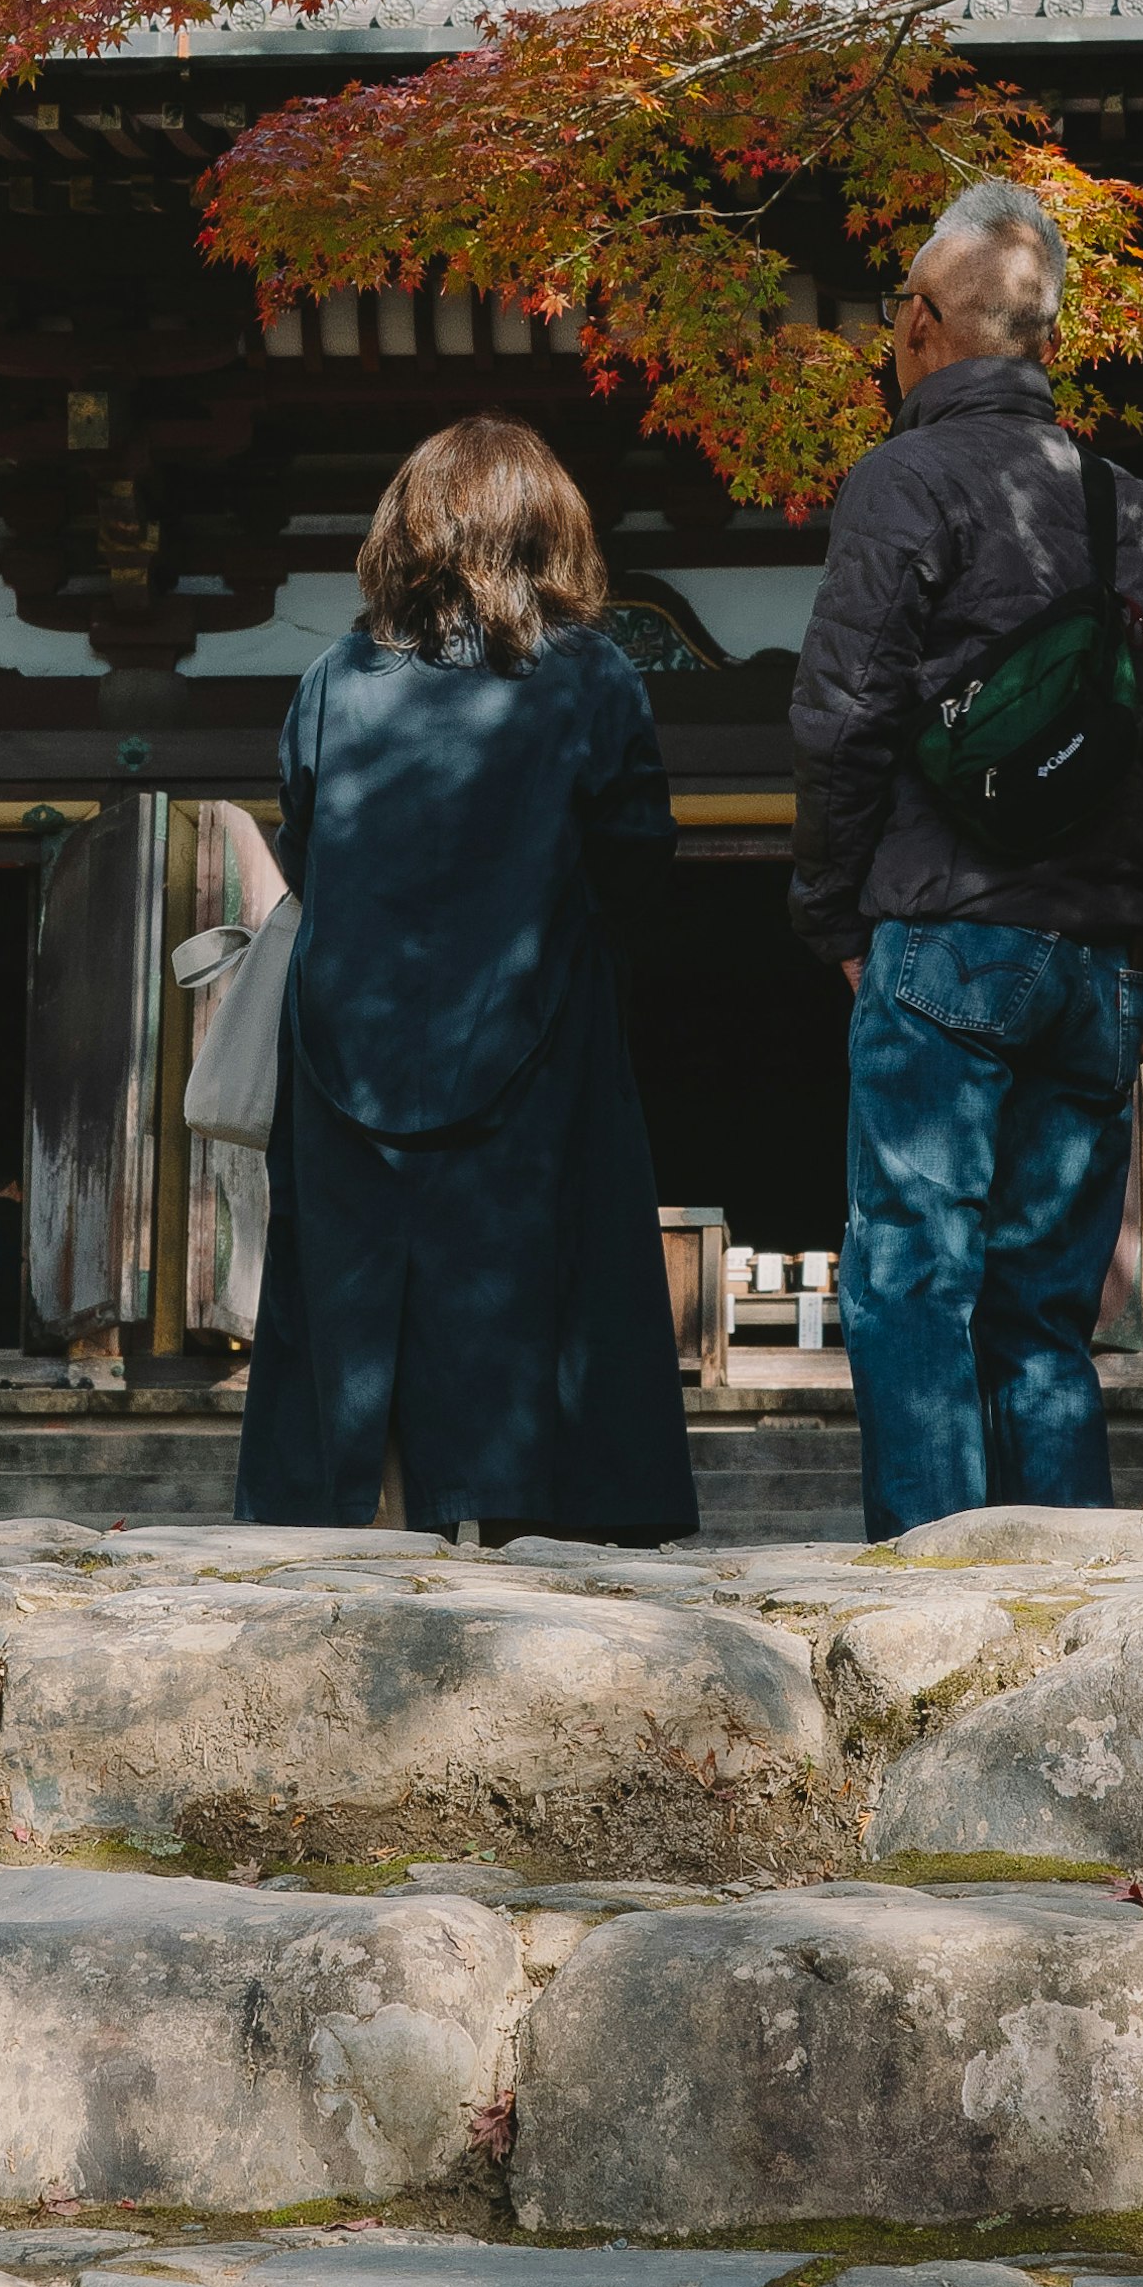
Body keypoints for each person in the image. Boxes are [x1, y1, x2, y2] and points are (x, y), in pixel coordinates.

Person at [790, 179, 1143, 1532]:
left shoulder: (902, 482)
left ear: (922, 320)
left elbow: (847, 717)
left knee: (915, 1278)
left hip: (943, 935)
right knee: (1047, 1308)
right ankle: (1065, 1606)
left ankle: (929, 1600)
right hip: (1098, 958)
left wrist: (834, 916)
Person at [237, 416, 694, 1542]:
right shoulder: (590, 677)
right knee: (537, 1293)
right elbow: (638, 856)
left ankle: (350, 1522)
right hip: (533, 1032)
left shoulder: (335, 679)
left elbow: (305, 849)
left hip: (351, 1050)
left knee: (347, 1306)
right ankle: (529, 1533)